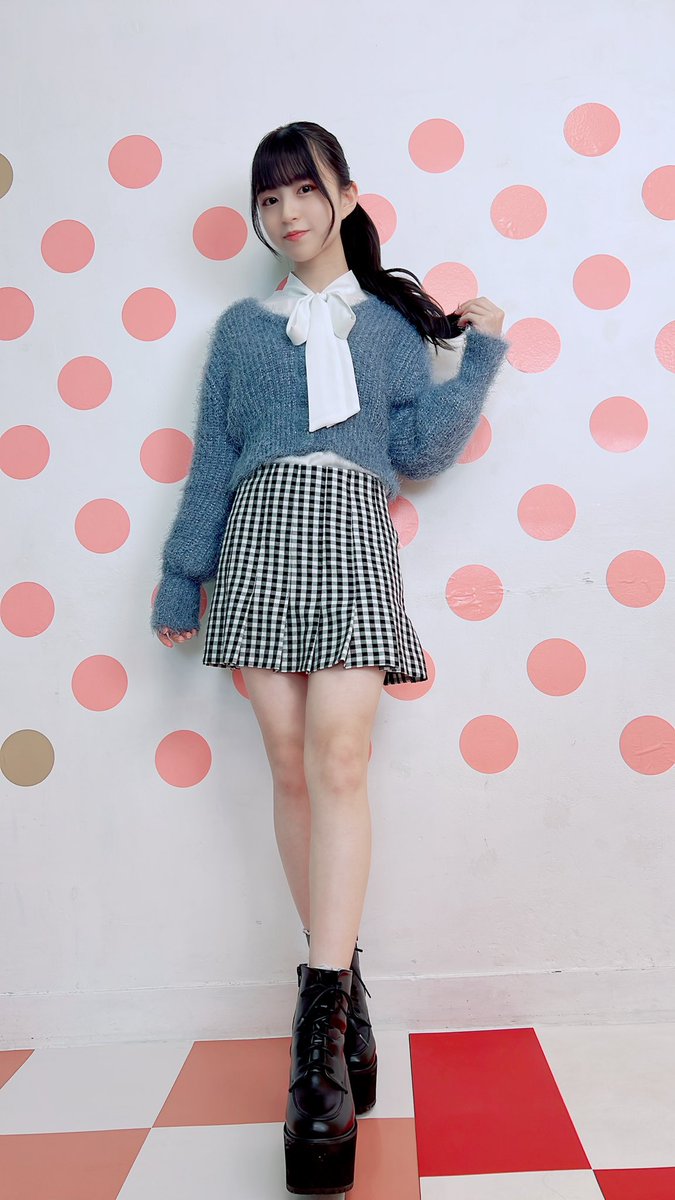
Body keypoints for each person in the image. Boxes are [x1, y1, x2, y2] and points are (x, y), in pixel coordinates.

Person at [150, 120, 509, 1195]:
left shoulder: (390, 327)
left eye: (304, 190)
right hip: (259, 538)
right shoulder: (240, 330)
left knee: (341, 758)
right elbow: (213, 456)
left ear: (345, 195)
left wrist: (478, 356)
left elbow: (417, 450)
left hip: (352, 534)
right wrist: (181, 571)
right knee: (291, 765)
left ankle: (315, 1036)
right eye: (269, 200)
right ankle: (344, 1000)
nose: (287, 213)